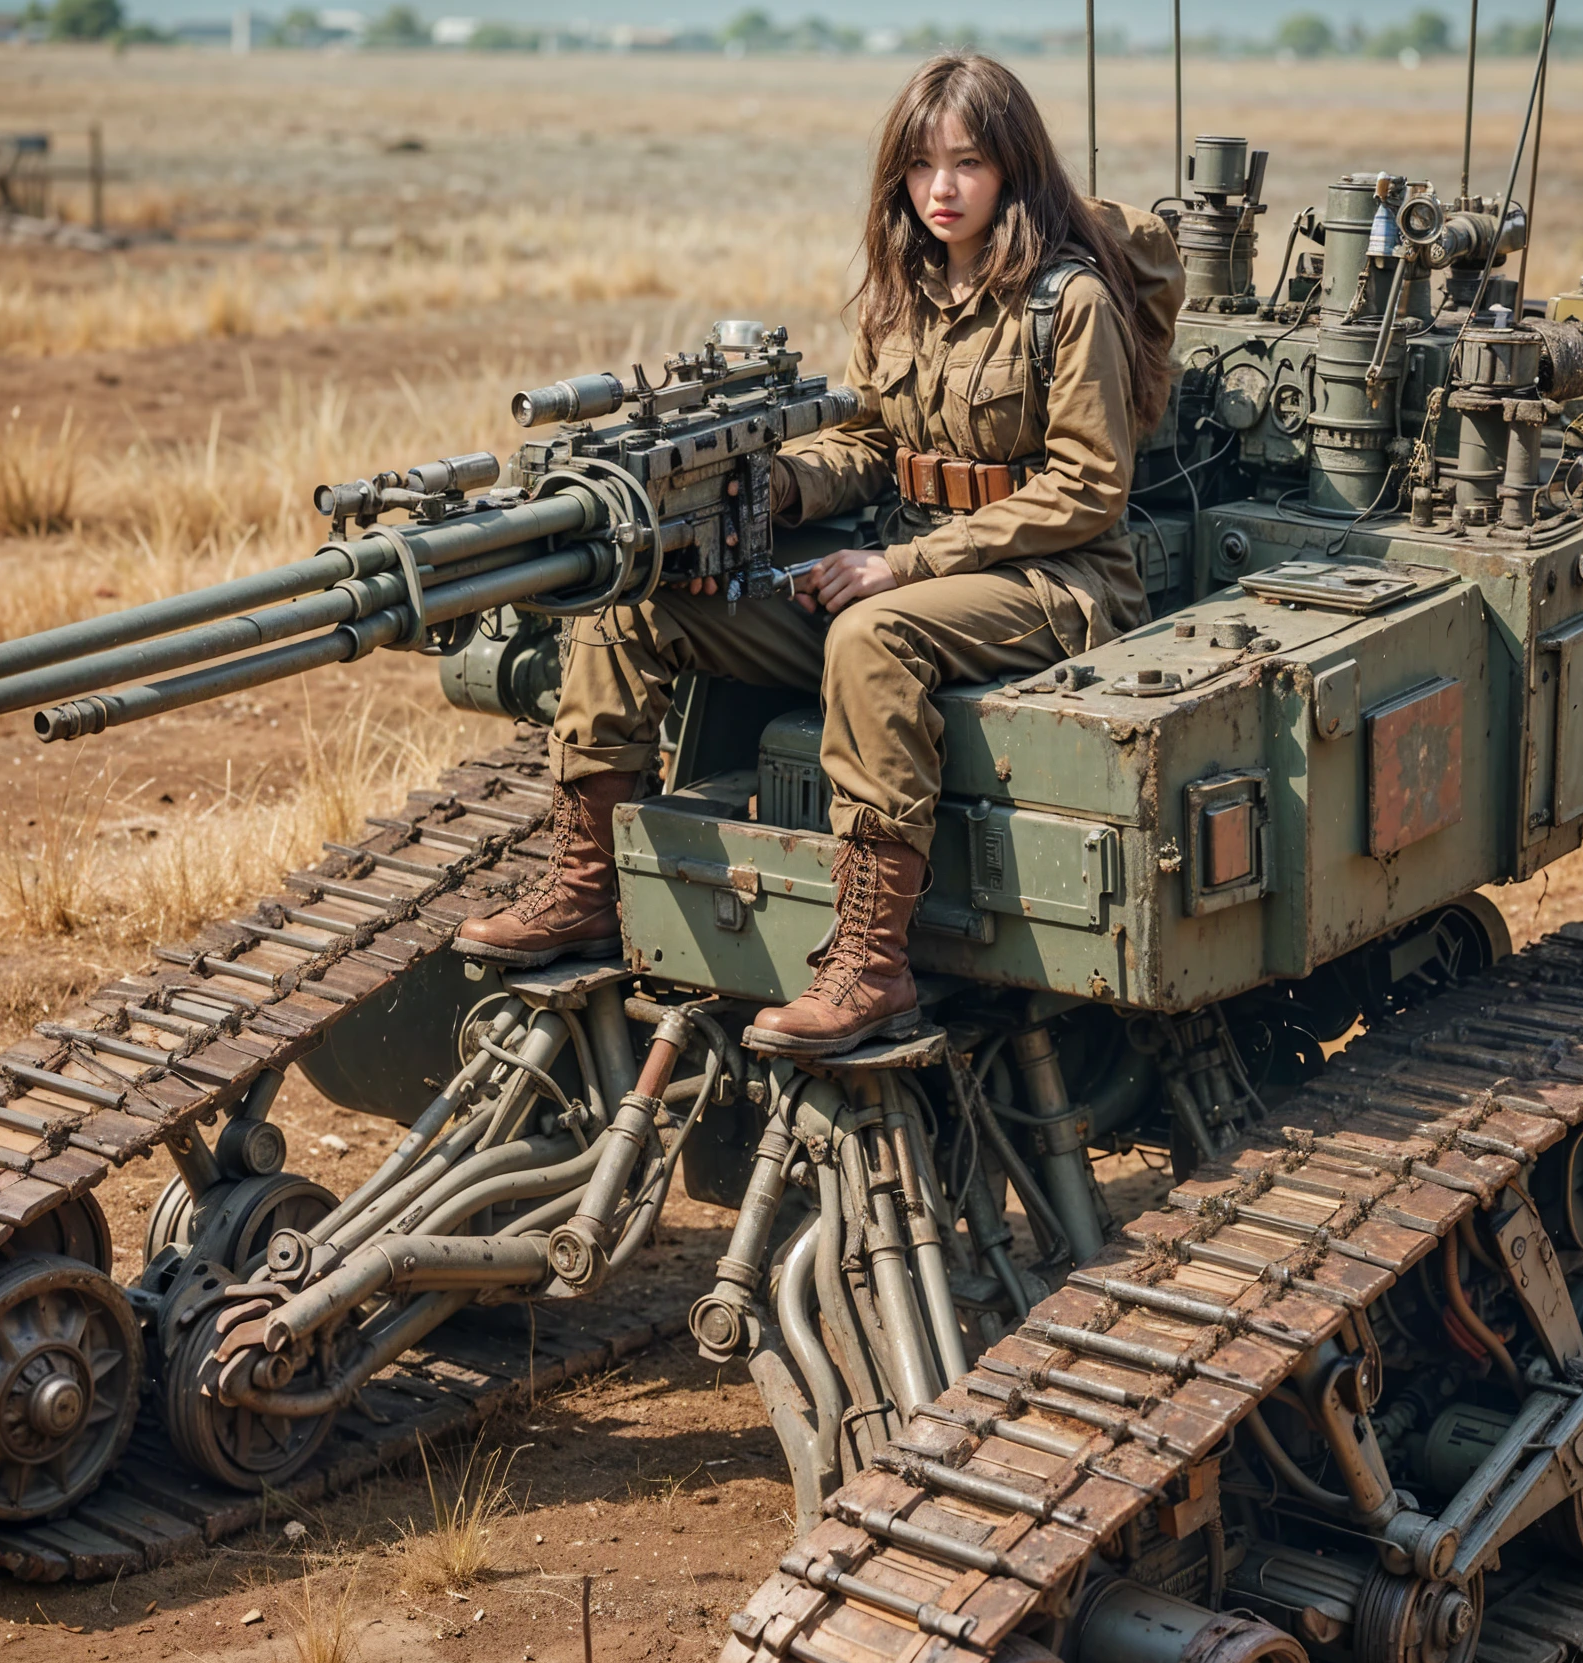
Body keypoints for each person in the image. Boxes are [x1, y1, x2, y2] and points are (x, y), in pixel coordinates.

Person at [456, 51, 1180, 1056]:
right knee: (631, 606)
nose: (941, 188)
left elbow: (1090, 485)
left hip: (1055, 579)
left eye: (967, 164)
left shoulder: (1068, 302)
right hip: (914, 559)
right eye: (922, 165)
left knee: (872, 638)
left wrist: (908, 569)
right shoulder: (903, 293)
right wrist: (782, 484)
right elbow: (872, 445)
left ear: (1013, 171)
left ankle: (871, 968)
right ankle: (585, 890)